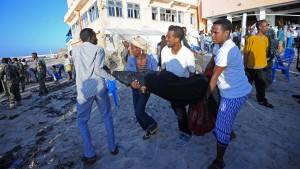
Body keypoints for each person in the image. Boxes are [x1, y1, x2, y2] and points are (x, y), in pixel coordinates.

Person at [203, 18, 252, 169]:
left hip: (234, 94)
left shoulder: (226, 50)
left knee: (220, 128)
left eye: (215, 32)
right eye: (211, 32)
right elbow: (213, 59)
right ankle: (229, 133)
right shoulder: (220, 45)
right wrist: (205, 71)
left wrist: (204, 98)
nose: (212, 35)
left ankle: (219, 161)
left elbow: (215, 77)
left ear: (226, 33)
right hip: (231, 89)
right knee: (219, 114)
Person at [72, 28, 118, 164]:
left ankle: (90, 153)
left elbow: (83, 66)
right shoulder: (98, 49)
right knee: (107, 116)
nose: (97, 38)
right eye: (95, 36)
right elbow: (98, 69)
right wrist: (111, 76)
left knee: (82, 121)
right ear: (91, 37)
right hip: (99, 87)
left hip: (84, 90)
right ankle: (112, 147)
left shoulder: (75, 50)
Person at [161, 25, 195, 146]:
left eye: (169, 37)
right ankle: (186, 125)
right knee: (176, 108)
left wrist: (188, 88)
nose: (166, 39)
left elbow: (192, 72)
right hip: (170, 86)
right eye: (166, 36)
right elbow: (163, 69)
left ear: (177, 38)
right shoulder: (164, 50)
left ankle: (186, 132)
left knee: (179, 110)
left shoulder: (187, 54)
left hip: (183, 86)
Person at [126, 37, 158, 139]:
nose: (131, 50)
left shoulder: (151, 59)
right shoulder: (131, 60)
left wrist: (147, 86)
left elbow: (154, 75)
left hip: (145, 90)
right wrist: (132, 83)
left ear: (140, 48)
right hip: (134, 89)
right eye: (131, 47)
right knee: (137, 112)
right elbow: (130, 75)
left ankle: (153, 124)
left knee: (139, 111)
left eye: (133, 48)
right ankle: (148, 129)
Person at [244, 20, 273, 108]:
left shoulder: (266, 38)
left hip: (262, 66)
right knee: (247, 83)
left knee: (261, 84)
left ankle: (261, 100)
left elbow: (265, 50)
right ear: (260, 27)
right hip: (251, 66)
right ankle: (243, 97)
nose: (267, 27)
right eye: (266, 26)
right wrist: (244, 65)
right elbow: (246, 53)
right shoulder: (251, 39)